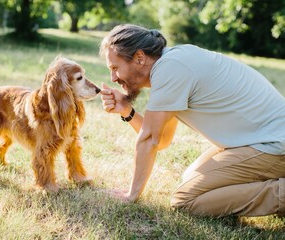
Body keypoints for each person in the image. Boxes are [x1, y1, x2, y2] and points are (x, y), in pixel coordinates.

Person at [99, 24, 285, 217]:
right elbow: (161, 140)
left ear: (139, 57)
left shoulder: (170, 69)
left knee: (185, 200)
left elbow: (149, 139)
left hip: (274, 144)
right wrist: (126, 111)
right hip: (259, 140)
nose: (113, 78)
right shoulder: (172, 64)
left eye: (115, 68)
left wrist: (132, 195)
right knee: (190, 179)